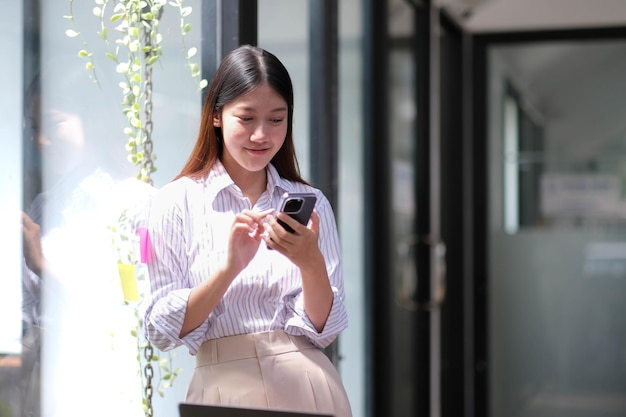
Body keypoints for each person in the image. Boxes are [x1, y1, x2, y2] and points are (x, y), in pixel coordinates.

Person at [144, 44, 353, 417]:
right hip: (222, 389)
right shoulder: (175, 202)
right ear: (217, 116)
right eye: (247, 118)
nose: (262, 135)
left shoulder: (311, 201)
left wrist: (310, 262)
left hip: (306, 385)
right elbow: (160, 329)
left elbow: (325, 329)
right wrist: (228, 270)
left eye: (276, 119)